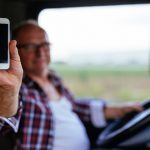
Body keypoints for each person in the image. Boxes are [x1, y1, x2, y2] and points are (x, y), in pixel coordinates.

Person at [0, 20, 143, 150]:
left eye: (45, 45)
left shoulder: (54, 79)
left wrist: (118, 109)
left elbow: (73, 107)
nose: (40, 52)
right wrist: (9, 92)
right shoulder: (18, 87)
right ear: (14, 51)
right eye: (31, 46)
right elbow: (5, 124)